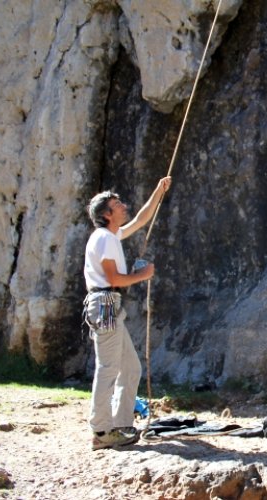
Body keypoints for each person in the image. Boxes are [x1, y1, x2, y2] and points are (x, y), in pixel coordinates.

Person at [83, 176, 171, 450]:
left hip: (107, 304)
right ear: (107, 214)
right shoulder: (106, 239)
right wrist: (141, 275)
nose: (123, 206)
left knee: (130, 367)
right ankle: (101, 431)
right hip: (106, 302)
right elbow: (114, 278)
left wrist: (158, 191)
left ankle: (120, 424)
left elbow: (141, 220)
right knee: (108, 368)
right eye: (117, 204)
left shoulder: (109, 236)